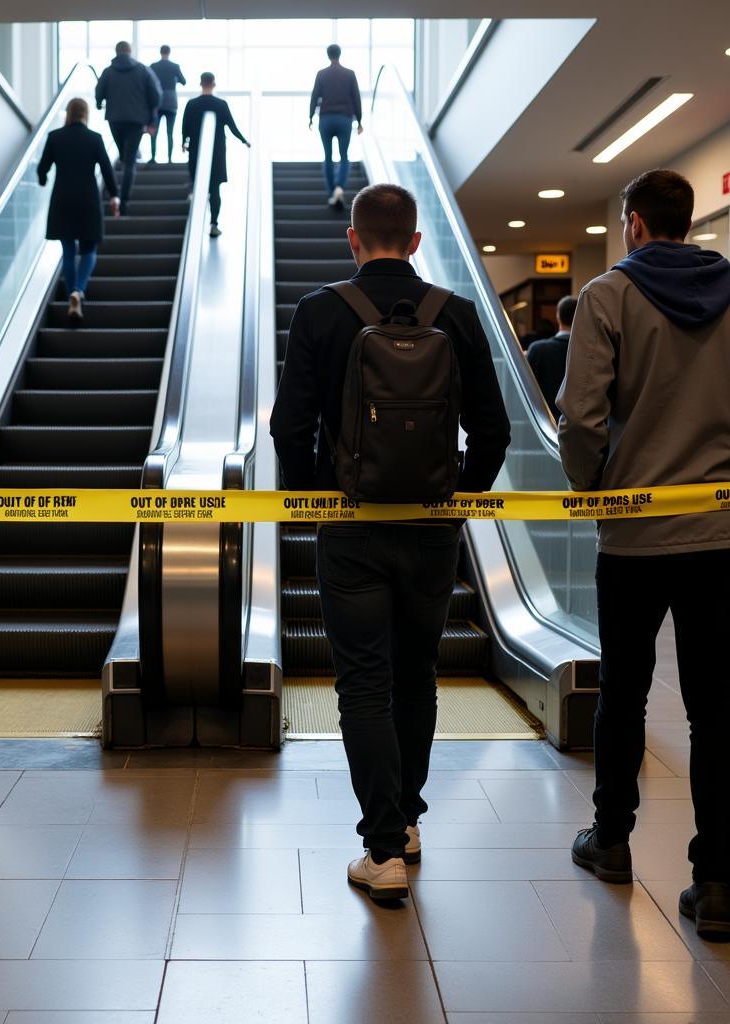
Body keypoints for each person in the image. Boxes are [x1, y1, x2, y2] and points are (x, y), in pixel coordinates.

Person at [270, 184, 510, 901]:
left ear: (353, 239)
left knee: (363, 685)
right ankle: (405, 825)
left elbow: (292, 426)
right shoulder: (457, 315)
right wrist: (456, 500)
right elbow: (492, 430)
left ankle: (382, 853)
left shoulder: (319, 312)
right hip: (431, 530)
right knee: (417, 675)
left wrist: (319, 497)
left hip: (350, 531)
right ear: (413, 242)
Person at [558, 169, 730, 939]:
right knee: (716, 706)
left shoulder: (607, 297)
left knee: (623, 691)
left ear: (634, 223)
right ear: (687, 222)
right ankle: (719, 878)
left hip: (632, 536)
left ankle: (613, 841)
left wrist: (592, 486)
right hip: (721, 533)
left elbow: (582, 415)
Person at [38, 97, 120, 321]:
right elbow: (106, 170)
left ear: (68, 114)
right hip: (88, 200)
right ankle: (78, 290)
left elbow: (42, 168)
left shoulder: (55, 138)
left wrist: (43, 179)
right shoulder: (95, 139)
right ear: (85, 114)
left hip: (62, 200)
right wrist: (114, 196)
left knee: (68, 252)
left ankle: (71, 293)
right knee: (89, 250)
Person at [94, 41, 161, 214]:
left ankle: (117, 195)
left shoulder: (108, 72)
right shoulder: (143, 70)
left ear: (116, 52)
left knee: (124, 157)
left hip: (115, 119)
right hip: (137, 121)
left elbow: (99, 92)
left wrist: (99, 102)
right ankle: (123, 200)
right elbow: (156, 95)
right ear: (130, 52)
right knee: (129, 161)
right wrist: (151, 115)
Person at [181, 73, 250, 239]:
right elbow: (232, 127)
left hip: (196, 151)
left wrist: (184, 142)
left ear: (200, 83)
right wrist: (244, 141)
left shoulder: (192, 104)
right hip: (217, 153)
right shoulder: (220, 104)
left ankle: (194, 218)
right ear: (214, 84)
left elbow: (185, 127)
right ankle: (213, 224)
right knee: (214, 189)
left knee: (197, 184)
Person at [309, 44, 363, 210]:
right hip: (344, 118)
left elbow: (314, 96)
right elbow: (356, 98)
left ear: (328, 55)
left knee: (328, 157)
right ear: (340, 54)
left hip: (325, 118)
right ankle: (340, 187)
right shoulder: (349, 74)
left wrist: (310, 117)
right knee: (344, 155)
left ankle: (332, 192)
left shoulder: (321, 74)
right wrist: (359, 120)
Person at [527, 294, 577, 418]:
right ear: (581, 317)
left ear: (558, 317)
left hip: (544, 421)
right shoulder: (593, 350)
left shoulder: (538, 350)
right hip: (580, 428)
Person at [149, 45, 186, 164]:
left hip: (157, 101)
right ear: (169, 53)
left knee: (154, 131)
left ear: (160, 52)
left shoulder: (154, 66)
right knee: (170, 132)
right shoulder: (175, 66)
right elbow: (183, 81)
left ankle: (153, 157)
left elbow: (148, 82)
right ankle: (169, 159)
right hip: (171, 102)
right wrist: (174, 80)